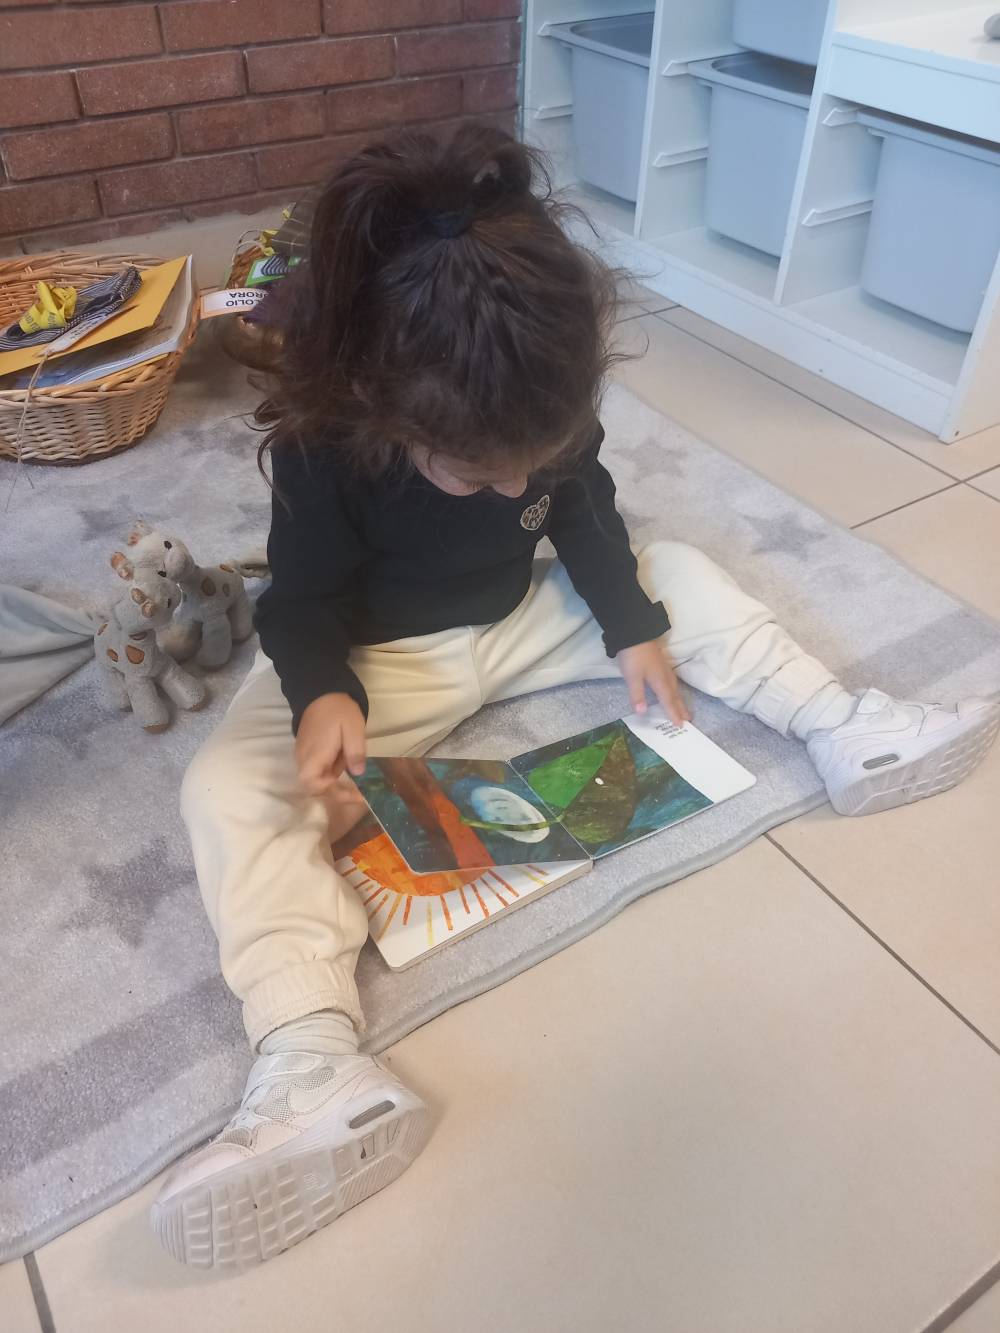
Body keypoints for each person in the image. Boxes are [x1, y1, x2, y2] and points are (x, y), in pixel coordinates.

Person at [152, 125, 999, 1270]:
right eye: (478, 472)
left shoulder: (539, 393)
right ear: (385, 410)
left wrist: (632, 624)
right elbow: (298, 603)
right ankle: (310, 1057)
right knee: (224, 787)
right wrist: (321, 699)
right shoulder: (325, 444)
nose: (516, 482)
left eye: (529, 458)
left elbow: (588, 503)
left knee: (679, 569)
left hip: (518, 621)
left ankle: (846, 727)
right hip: (379, 659)